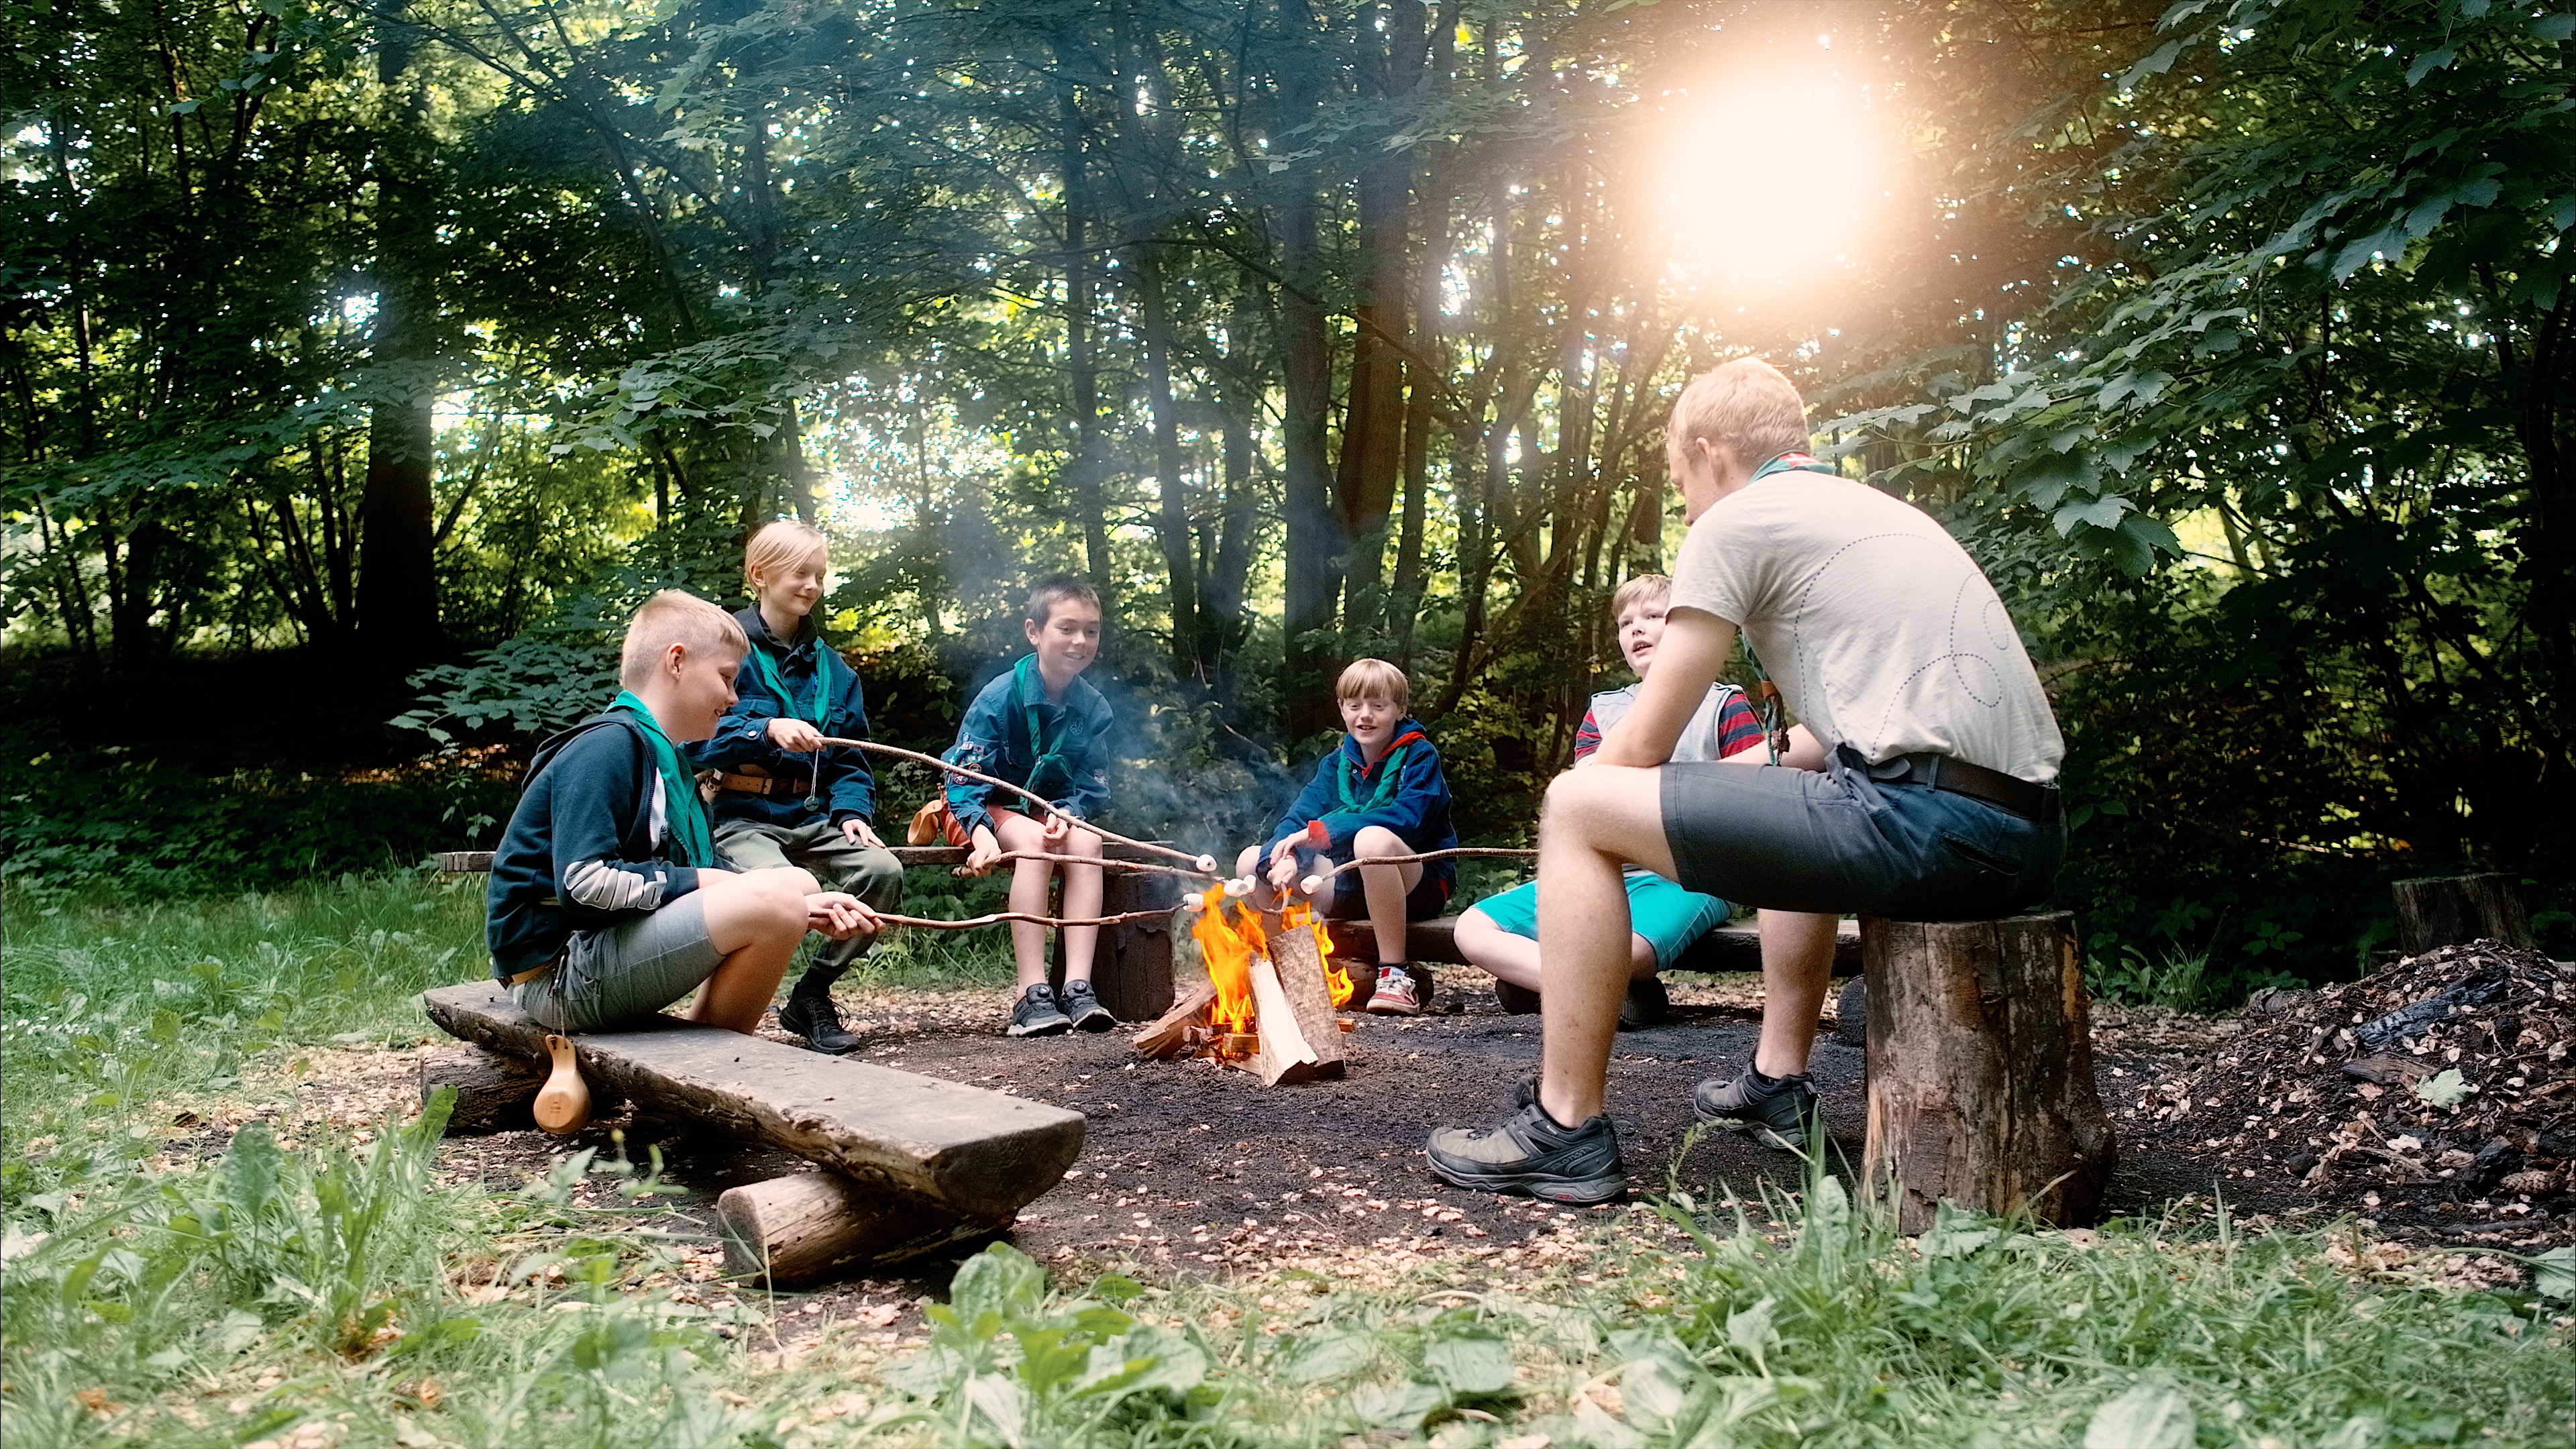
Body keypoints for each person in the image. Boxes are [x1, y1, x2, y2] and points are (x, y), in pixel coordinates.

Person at [1425, 357, 2067, 1203]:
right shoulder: (1869, 511)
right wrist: (1710, 800)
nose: (1685, 506)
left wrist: (1600, 838)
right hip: (2023, 834)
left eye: (1679, 481)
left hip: (1926, 825)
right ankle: (1775, 1080)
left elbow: (1637, 743)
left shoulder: (1741, 520)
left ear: (1709, 452)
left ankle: (1564, 1127)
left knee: (1576, 803)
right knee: (1798, 788)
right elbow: (1822, 740)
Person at [486, 590, 875, 1036]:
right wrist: (720, 885)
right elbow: (582, 883)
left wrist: (806, 906)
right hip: (558, 975)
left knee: (798, 886)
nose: (733, 699)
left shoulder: (665, 760)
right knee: (775, 897)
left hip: (598, 949)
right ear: (676, 662)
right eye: (727, 678)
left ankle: (701, 1065)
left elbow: (700, 867)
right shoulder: (608, 746)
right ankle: (711, 1073)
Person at [1458, 574, 1826, 1030]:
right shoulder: (1602, 711)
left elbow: (1759, 796)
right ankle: (1606, 993)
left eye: (1653, 616)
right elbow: (1590, 793)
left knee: (1629, 952)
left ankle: (1559, 983)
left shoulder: (1723, 705)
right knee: (1471, 928)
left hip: (1689, 879)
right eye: (1625, 621)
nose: (1636, 628)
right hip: (1603, 874)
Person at [684, 521, 904, 1055]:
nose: (812, 585)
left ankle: (810, 994)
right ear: (759, 575)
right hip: (739, 815)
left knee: (883, 872)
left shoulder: (834, 671)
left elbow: (850, 756)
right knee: (794, 889)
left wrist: (853, 811)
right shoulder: (723, 652)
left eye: (820, 575)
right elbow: (690, 740)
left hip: (807, 817)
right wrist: (763, 729)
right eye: (800, 573)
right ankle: (735, 1000)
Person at [946, 575, 1119, 1037]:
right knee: (1030, 841)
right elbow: (962, 780)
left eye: (1092, 630)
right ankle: (1031, 992)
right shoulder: (1001, 697)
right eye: (1066, 628)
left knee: (1087, 842)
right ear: (1034, 631)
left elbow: (1090, 784)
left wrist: (1068, 814)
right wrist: (980, 833)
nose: (1080, 641)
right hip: (980, 809)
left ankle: (1078, 987)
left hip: (1044, 811)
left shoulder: (1094, 707)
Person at [1237, 659, 1456, 1016]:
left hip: (1416, 887)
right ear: (1342, 709)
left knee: (1372, 840)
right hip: (1351, 886)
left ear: (1400, 710)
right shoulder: (1336, 763)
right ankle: (1277, 974)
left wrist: (1327, 832)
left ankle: (1395, 975)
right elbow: (1297, 819)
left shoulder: (1419, 756)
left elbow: (1409, 820)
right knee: (1253, 860)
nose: (1365, 716)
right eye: (1355, 706)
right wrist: (1284, 859)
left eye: (1378, 706)